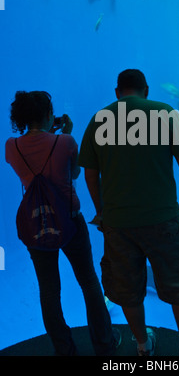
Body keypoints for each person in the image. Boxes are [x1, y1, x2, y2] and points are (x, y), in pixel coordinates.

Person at [78, 69, 179, 356]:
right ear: (146, 90)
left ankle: (142, 345)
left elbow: (90, 175)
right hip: (163, 219)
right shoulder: (165, 113)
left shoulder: (100, 119)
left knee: (128, 289)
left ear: (117, 92)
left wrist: (102, 212)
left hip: (118, 223)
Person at [5, 90, 120, 356]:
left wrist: (46, 131)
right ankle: (104, 343)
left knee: (49, 291)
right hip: (70, 222)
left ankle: (64, 350)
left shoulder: (12, 147)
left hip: (36, 226)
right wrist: (65, 132)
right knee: (89, 282)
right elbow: (75, 172)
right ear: (48, 115)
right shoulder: (65, 142)